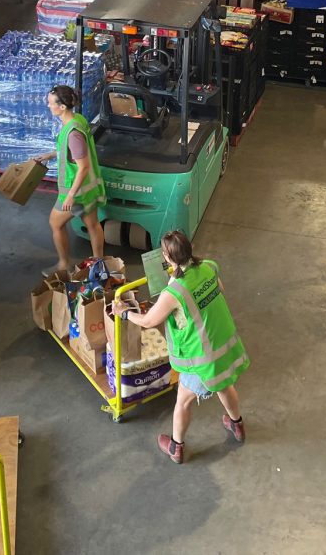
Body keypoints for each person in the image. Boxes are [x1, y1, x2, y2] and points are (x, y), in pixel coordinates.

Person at [119, 231, 249, 465]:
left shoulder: (174, 292)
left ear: (167, 257)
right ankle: (237, 424)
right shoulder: (208, 267)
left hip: (201, 359)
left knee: (183, 402)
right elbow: (219, 290)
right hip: (223, 345)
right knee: (224, 384)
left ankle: (176, 447)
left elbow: (148, 321)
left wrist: (125, 313)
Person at [35, 85, 106, 277]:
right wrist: (51, 155)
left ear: (62, 107)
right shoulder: (78, 120)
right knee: (93, 225)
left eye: (51, 103)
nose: (48, 106)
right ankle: (98, 266)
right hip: (89, 189)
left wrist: (70, 196)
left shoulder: (73, 133)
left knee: (55, 223)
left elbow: (83, 167)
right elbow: (72, 152)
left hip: (76, 191)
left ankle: (63, 264)